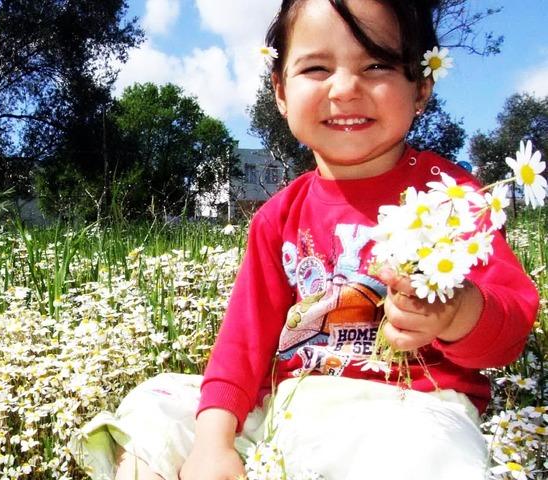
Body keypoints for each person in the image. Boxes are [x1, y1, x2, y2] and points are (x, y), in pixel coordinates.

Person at [72, 0, 540, 478]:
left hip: (407, 411)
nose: (345, 88)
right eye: (317, 67)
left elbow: (507, 335)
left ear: (421, 86)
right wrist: (213, 443)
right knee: (155, 406)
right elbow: (243, 343)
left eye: (376, 64)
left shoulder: (456, 198)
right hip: (284, 408)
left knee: (432, 457)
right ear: (280, 90)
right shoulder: (277, 216)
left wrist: (456, 311)